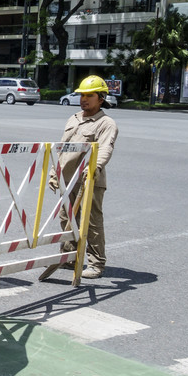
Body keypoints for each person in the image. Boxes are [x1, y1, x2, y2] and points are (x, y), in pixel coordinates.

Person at [39, 75, 119, 281]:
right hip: (68, 179)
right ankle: (68, 257)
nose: (84, 99)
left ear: (100, 98)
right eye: (82, 95)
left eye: (89, 95)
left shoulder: (105, 123)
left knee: (90, 222)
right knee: (67, 219)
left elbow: (104, 149)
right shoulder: (73, 118)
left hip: (89, 180)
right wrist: (54, 172)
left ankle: (96, 263)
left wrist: (95, 167)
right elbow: (62, 148)